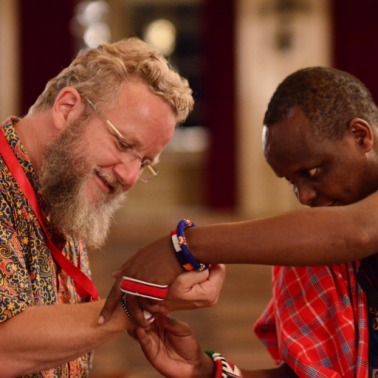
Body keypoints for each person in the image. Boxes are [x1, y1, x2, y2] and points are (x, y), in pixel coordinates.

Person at [101, 67, 378, 377]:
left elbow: (357, 232)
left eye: (312, 172)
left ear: (360, 136)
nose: (304, 197)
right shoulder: (310, 253)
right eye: (292, 182)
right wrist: (207, 371)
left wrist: (184, 246)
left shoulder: (339, 233)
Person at [0, 37, 226, 378]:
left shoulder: (62, 188)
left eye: (145, 162)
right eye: (123, 144)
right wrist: (138, 301)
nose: (130, 176)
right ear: (67, 109)